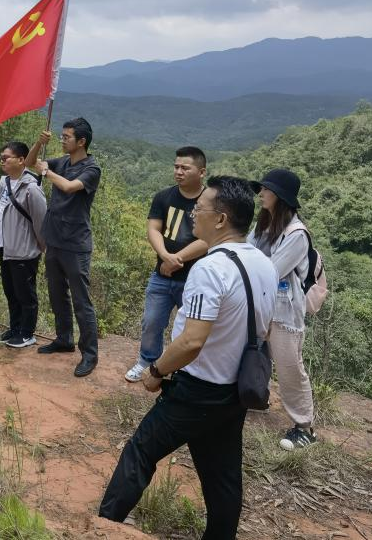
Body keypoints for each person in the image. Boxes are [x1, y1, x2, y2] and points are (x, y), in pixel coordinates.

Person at [98, 176, 276, 540]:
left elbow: (192, 341)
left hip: (196, 389)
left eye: (201, 209)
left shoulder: (210, 268)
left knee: (140, 452)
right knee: (223, 476)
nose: (194, 215)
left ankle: (102, 526)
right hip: (233, 391)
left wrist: (155, 370)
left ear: (222, 219)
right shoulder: (263, 264)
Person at [125, 147, 209, 382]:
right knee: (151, 321)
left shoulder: (210, 201)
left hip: (195, 279)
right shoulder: (164, 196)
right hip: (161, 275)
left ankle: (184, 369)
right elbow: (153, 229)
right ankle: (147, 360)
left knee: (190, 329)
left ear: (201, 172)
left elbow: (208, 239)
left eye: (185, 168)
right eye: (176, 167)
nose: (179, 172)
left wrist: (176, 259)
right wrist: (165, 256)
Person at [250, 168, 318, 452]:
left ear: (279, 196)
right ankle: (252, 397)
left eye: (266, 190)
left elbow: (272, 270)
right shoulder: (263, 225)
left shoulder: (297, 233)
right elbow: (248, 252)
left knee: (290, 366)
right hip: (259, 304)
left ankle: (305, 428)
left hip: (283, 311)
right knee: (250, 353)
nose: (261, 194)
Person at [32, 117, 102, 377]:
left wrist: (45, 171)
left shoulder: (91, 168)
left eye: (66, 137)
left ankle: (90, 355)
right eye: (61, 136)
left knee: (81, 301)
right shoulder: (62, 161)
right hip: (55, 239)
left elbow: (70, 187)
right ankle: (64, 339)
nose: (62, 140)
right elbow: (30, 163)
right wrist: (39, 145)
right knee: (56, 293)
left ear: (81, 141)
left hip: (76, 244)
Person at [0, 142, 48, 349]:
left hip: (24, 250)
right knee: (11, 291)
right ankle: (14, 329)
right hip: (4, 246)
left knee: (25, 293)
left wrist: (41, 249)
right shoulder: (3, 183)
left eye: (6, 157)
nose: (2, 161)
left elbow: (41, 222)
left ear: (21, 160)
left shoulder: (32, 188)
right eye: (1, 157)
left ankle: (27, 333)